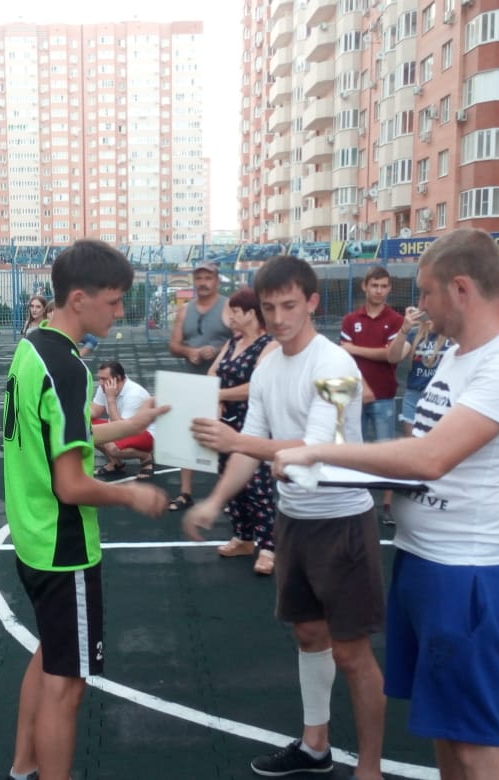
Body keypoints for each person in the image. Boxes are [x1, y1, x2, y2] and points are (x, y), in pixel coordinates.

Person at [273, 228, 499, 779]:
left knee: (475, 740)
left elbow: (430, 458)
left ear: (461, 288)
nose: (417, 306)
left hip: (468, 570)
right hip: (425, 559)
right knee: (445, 728)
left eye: (425, 292)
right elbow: (421, 449)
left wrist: (321, 453)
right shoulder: (456, 355)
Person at [184, 256, 385, 780]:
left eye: (289, 305)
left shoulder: (336, 364)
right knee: (309, 635)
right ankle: (315, 747)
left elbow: (317, 448)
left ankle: (369, 768)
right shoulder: (268, 368)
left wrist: (236, 441)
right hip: (292, 519)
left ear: (312, 303)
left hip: (342, 522)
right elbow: (250, 447)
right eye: (269, 307)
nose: (278, 318)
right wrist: (213, 501)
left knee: (353, 653)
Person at [2, 239, 168, 780]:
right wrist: (131, 493)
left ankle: (23, 765)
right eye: (114, 301)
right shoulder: (70, 369)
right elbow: (72, 485)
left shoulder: (33, 348)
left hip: (32, 536)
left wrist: (134, 423)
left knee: (51, 654)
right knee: (67, 685)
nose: (119, 312)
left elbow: (63, 433)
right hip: (64, 545)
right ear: (79, 299)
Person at [207, 287, 280, 574]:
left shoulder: (268, 346)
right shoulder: (232, 342)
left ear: (251, 314)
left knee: (257, 486)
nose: (231, 318)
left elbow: (256, 386)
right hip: (226, 424)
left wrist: (219, 395)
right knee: (229, 479)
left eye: (235, 312)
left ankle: (268, 548)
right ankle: (243, 537)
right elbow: (212, 372)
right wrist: (216, 398)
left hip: (253, 425)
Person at [341, 266, 404, 526]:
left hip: (384, 396)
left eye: (384, 286)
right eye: (375, 285)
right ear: (365, 286)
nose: (379, 291)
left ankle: (387, 506)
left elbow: (390, 355)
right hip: (354, 397)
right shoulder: (350, 320)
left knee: (386, 453)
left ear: (389, 289)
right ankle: (351, 500)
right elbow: (344, 357)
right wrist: (373, 352)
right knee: (351, 450)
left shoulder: (396, 320)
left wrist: (355, 348)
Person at [167, 261, 233, 512]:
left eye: (208, 278)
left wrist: (216, 351)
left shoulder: (228, 307)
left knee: (224, 438)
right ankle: (185, 493)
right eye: (199, 278)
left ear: (217, 280)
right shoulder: (185, 311)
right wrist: (189, 352)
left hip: (224, 384)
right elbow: (174, 345)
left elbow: (243, 339)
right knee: (189, 435)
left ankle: (226, 495)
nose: (203, 283)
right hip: (193, 382)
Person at [388, 306, 451, 437]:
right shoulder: (414, 334)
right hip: (414, 395)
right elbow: (393, 357)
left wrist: (443, 326)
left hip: (441, 397)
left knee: (439, 442)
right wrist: (404, 330)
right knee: (413, 443)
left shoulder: (450, 336)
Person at [90, 360, 156, 480]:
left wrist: (110, 398)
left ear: (118, 378)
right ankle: (115, 463)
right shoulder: (104, 387)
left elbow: (121, 428)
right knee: (87, 428)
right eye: (99, 378)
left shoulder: (134, 394)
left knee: (112, 446)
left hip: (145, 433)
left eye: (104, 379)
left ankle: (146, 457)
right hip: (125, 428)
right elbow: (95, 411)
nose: (100, 383)